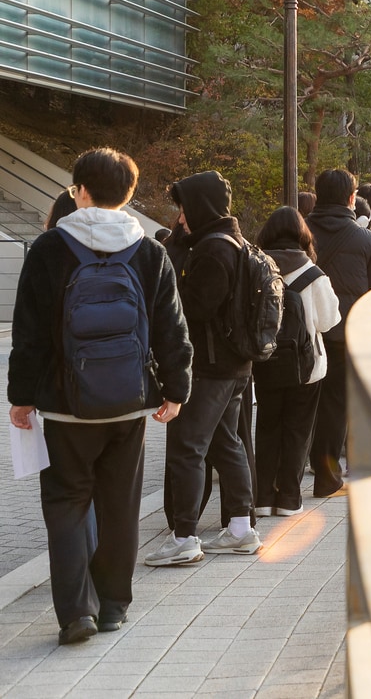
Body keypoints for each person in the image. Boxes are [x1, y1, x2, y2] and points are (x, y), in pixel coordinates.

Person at [8, 149, 192, 645]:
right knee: (119, 502)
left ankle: (76, 614)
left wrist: (21, 397)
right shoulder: (150, 250)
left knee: (67, 501)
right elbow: (172, 329)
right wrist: (176, 390)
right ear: (129, 194)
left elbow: (28, 333)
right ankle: (113, 606)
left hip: (66, 404)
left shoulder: (50, 248)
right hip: (130, 402)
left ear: (81, 191)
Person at [146, 171, 263, 567]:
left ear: (199, 206)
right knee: (225, 442)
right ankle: (241, 529)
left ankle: (184, 537)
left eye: (183, 209)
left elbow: (193, 310)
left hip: (210, 366)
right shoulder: (232, 240)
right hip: (233, 365)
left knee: (187, 447)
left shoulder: (213, 251)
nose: (179, 219)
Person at [305, 169, 371, 498]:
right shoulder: (366, 239)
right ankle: (327, 478)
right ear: (351, 198)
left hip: (303, 333)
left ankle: (281, 484)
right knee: (335, 404)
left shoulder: (301, 232)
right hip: (345, 334)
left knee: (298, 405)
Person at [253, 206, 341, 517]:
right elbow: (330, 320)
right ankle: (289, 498)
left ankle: (262, 498)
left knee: (266, 427)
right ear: (303, 235)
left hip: (264, 362)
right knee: (297, 431)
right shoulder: (313, 274)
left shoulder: (255, 266)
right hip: (306, 367)